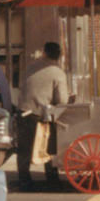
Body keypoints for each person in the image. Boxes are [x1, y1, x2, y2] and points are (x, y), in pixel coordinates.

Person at [16, 42, 73, 191]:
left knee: (24, 149)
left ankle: (24, 180)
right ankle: (52, 179)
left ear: (44, 53)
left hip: (24, 110)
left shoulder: (30, 68)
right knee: (49, 147)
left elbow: (21, 86)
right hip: (42, 114)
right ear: (58, 56)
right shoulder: (57, 72)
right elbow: (62, 100)